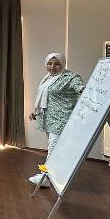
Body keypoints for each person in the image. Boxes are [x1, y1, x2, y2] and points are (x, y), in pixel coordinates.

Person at [28, 52, 85, 187]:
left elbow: (79, 86)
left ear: (63, 64)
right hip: (48, 119)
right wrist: (35, 112)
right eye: (50, 63)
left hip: (61, 119)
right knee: (55, 149)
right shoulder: (48, 78)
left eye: (57, 64)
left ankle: (46, 178)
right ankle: (55, 175)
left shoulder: (70, 77)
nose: (52, 67)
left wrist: (83, 89)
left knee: (53, 148)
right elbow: (44, 98)